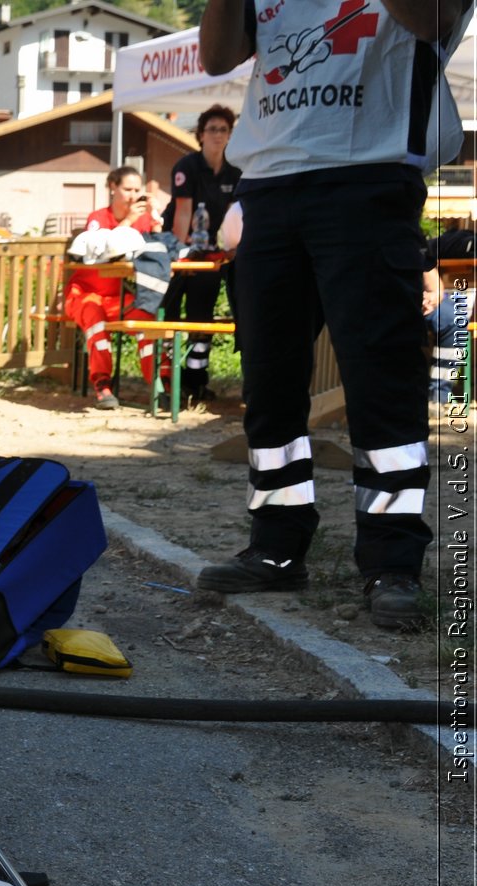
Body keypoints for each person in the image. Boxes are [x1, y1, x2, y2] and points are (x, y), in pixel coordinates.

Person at [196, 0, 473, 630]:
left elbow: (431, 20)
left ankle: (392, 562)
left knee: (382, 382)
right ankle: (275, 547)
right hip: (267, 183)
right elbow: (216, 57)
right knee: (270, 380)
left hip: (368, 177)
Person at [159, 105, 242, 404]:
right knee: (169, 316)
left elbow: (237, 215)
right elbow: (182, 215)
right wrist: (180, 258)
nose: (218, 135)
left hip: (210, 253)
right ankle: (166, 382)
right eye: (212, 129)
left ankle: (196, 384)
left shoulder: (235, 170)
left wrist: (233, 248)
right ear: (200, 134)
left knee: (201, 318)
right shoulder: (187, 167)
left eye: (224, 129)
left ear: (231, 135)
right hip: (178, 248)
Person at [63, 165, 162, 410]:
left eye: (137, 190)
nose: (133, 195)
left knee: (146, 319)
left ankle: (161, 387)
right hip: (85, 293)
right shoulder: (98, 218)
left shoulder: (144, 219)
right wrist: (128, 221)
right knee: (94, 320)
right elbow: (103, 250)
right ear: (112, 188)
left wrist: (157, 219)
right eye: (127, 189)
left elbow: (159, 250)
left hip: (116, 296)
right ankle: (102, 386)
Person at [424, 227, 474, 404]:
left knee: (454, 318)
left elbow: (428, 269)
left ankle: (438, 396)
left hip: (422, 298)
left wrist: (433, 295)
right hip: (387, 298)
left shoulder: (411, 234)